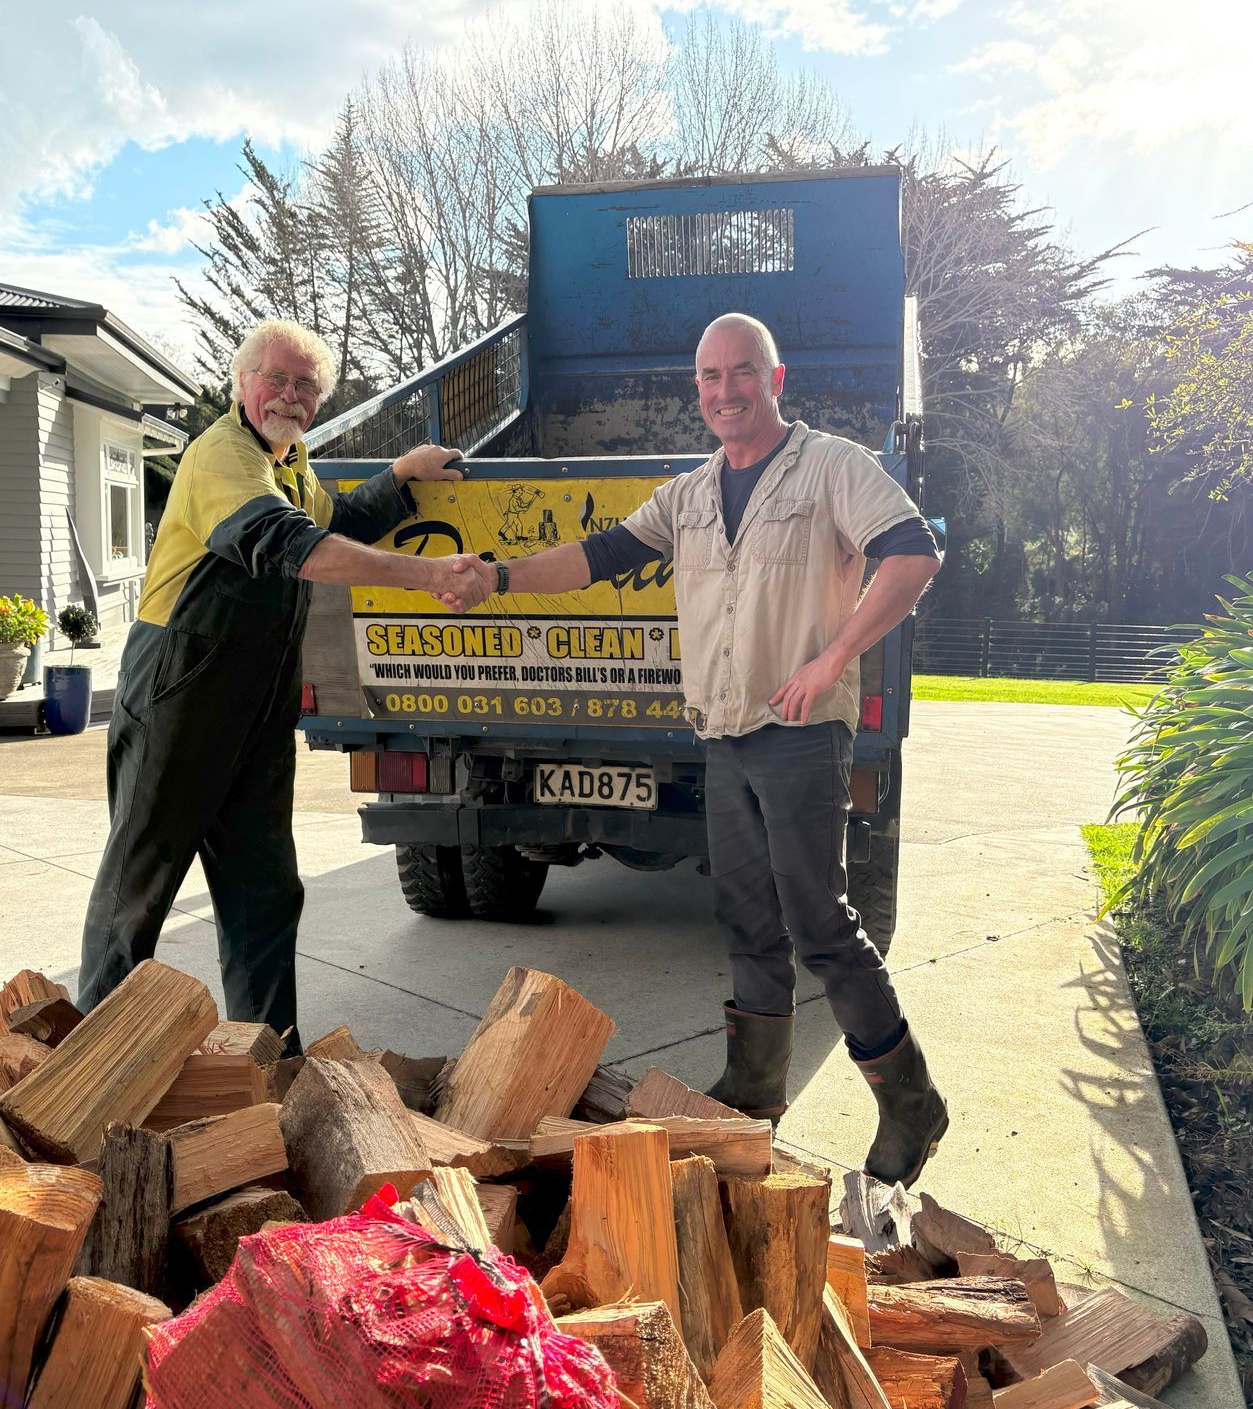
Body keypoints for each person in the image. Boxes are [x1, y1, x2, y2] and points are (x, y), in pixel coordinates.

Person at [445, 313, 947, 1185]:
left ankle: (911, 1103)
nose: (725, 391)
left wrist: (834, 657)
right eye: (710, 378)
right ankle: (753, 1092)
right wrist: (498, 576)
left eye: (741, 372)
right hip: (724, 732)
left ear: (775, 378)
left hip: (800, 733)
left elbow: (913, 555)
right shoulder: (690, 492)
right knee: (747, 919)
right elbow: (598, 556)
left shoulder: (831, 466)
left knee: (819, 923)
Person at [78, 318, 483, 1048]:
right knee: (139, 886)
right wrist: (426, 576)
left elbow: (336, 520)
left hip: (258, 700)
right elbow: (289, 542)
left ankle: (268, 1064)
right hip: (181, 688)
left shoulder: (291, 461)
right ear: (242, 383)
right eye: (276, 377)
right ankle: (94, 1064)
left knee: (264, 890)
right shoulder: (223, 458)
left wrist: (399, 478)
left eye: (305, 385)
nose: (289, 395)